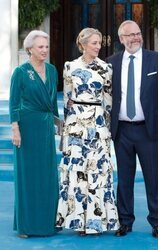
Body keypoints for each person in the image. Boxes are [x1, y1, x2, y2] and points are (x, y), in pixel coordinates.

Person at [107, 20, 158, 238]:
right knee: (124, 179)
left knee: (153, 178)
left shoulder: (157, 60)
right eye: (130, 35)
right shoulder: (111, 63)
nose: (135, 37)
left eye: (138, 33)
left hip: (150, 130)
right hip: (122, 131)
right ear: (121, 39)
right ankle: (125, 221)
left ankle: (156, 222)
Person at [55, 28, 119, 235]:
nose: (98, 46)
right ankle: (76, 222)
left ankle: (96, 222)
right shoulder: (69, 67)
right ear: (82, 44)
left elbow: (108, 101)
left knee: (98, 172)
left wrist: (107, 129)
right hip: (75, 125)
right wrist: (66, 130)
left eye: (99, 43)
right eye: (94, 43)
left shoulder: (106, 68)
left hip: (98, 124)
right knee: (76, 172)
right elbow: (66, 99)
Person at [9, 30, 59, 237]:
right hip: (27, 129)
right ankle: (26, 226)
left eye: (46, 46)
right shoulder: (21, 72)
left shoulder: (52, 70)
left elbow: (53, 100)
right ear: (29, 49)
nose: (45, 50)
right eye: (40, 47)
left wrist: (58, 122)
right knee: (27, 176)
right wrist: (15, 129)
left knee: (47, 175)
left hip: (46, 128)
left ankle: (48, 223)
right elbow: (13, 102)